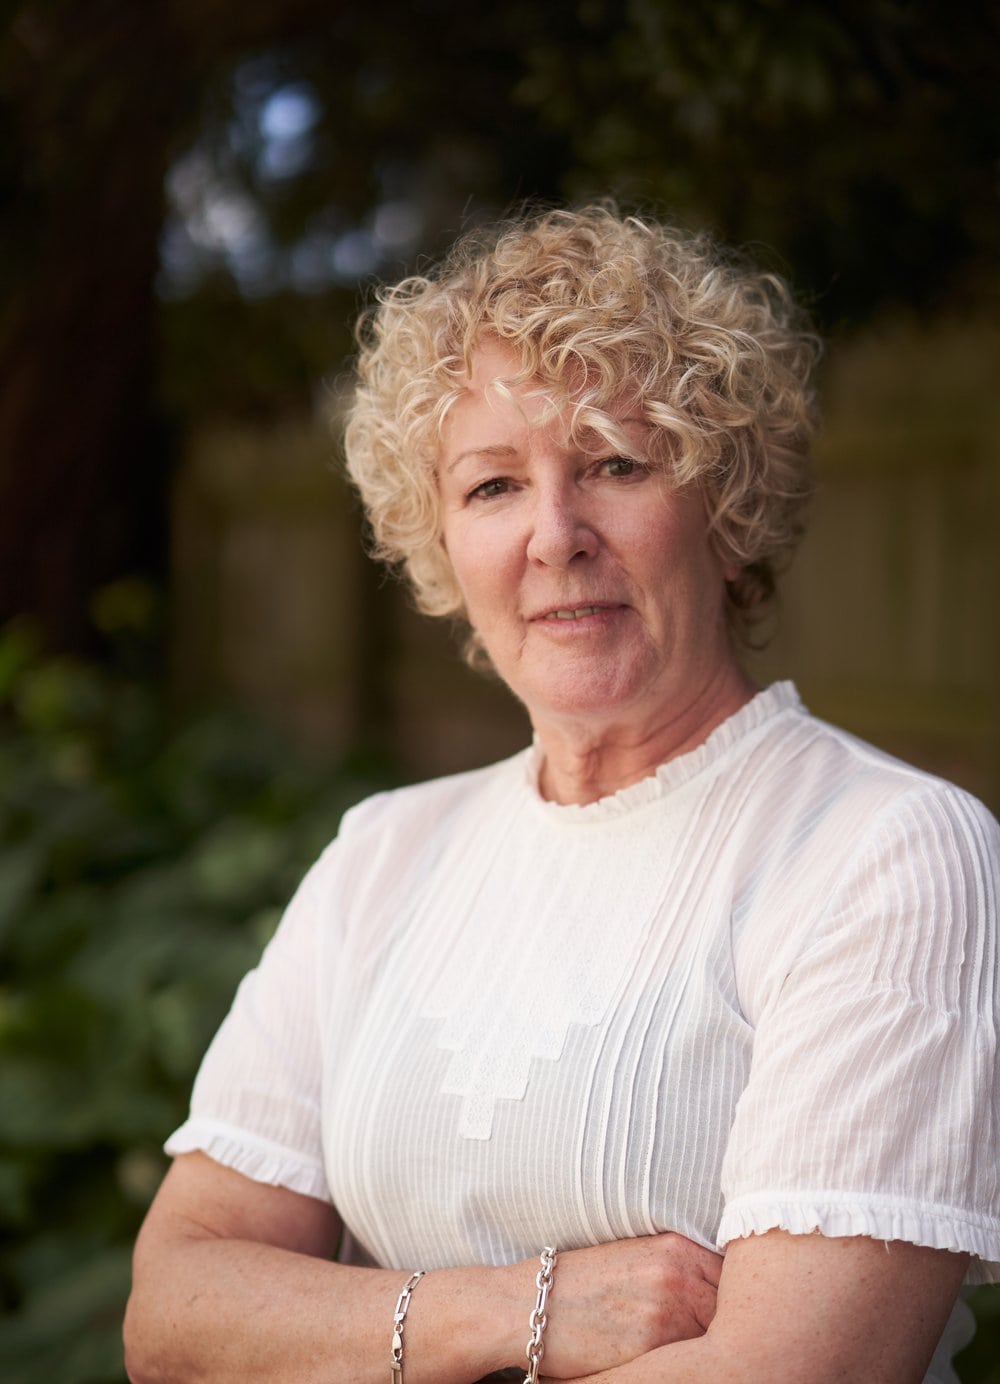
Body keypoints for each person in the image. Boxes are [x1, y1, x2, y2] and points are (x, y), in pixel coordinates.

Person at [124, 206, 1000, 1384]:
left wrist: (340, 1333)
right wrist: (513, 1310)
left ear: (726, 505)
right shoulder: (384, 851)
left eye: (615, 464)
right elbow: (174, 1313)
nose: (554, 535)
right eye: (492, 486)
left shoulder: (884, 850)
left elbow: (789, 1370)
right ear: (439, 538)